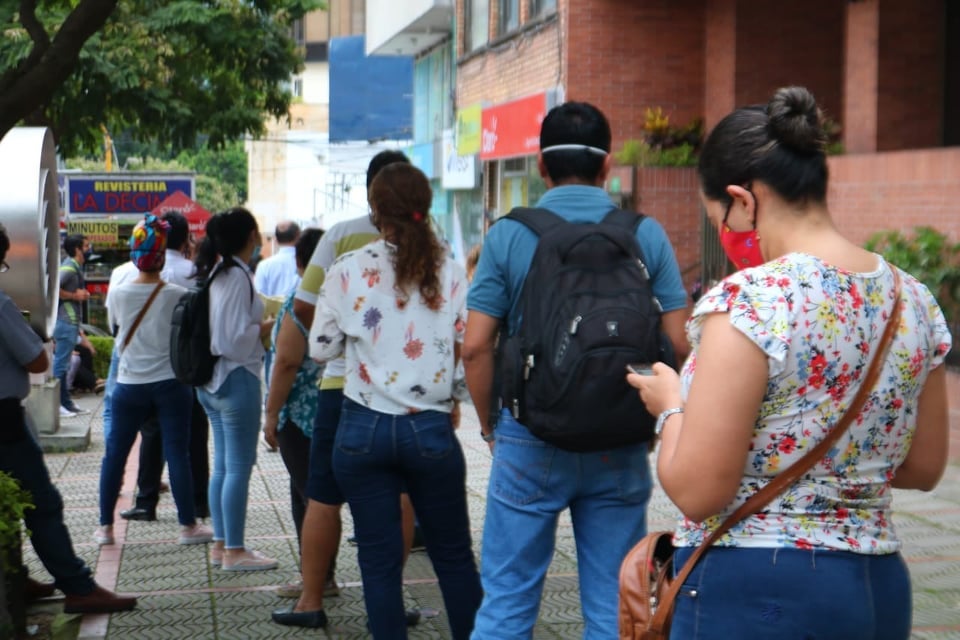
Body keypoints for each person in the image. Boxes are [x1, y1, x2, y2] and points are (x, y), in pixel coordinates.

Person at [627, 86, 951, 640]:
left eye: (719, 218)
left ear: (743, 200)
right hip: (875, 587)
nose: (726, 232)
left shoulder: (750, 302)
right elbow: (923, 468)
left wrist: (671, 408)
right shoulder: (913, 299)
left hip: (755, 590)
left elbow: (699, 491)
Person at [462, 101, 690, 638]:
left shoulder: (508, 236)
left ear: (541, 166)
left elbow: (474, 348)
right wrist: (660, 418)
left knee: (507, 606)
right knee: (617, 610)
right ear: (607, 166)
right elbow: (679, 341)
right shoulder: (645, 233)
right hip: (621, 438)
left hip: (530, 438)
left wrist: (493, 427)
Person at [312, 162, 482, 639]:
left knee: (379, 562)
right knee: (453, 556)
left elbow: (319, 348)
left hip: (361, 430)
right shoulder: (449, 270)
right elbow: (468, 352)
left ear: (374, 211)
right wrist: (458, 397)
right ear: (423, 209)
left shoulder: (347, 270)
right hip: (429, 432)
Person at [271, 150, 421, 630]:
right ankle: (391, 602)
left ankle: (310, 601)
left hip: (342, 383)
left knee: (323, 494)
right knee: (399, 495)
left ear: (370, 190)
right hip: (403, 388)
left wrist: (345, 340)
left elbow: (306, 305)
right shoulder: (430, 242)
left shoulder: (340, 235)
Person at [0, 222, 137, 614]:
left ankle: (14, 575)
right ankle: (77, 586)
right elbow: (37, 359)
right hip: (5, 421)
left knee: (9, 502)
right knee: (41, 503)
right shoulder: (1, 304)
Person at [96, 215, 213, 548]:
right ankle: (188, 526)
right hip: (171, 384)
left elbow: (116, 330)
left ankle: (105, 528)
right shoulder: (179, 294)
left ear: (134, 254)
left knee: (115, 455)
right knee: (178, 453)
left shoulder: (117, 293)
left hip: (129, 384)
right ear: (161, 255)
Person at [194, 207, 277, 571]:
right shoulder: (238, 276)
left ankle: (222, 544)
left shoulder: (218, 272)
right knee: (238, 466)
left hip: (212, 381)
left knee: (225, 465)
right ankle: (235, 551)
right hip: (235, 378)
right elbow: (231, 340)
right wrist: (262, 328)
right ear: (250, 238)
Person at [262, 227, 324, 597]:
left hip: (300, 417)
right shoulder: (346, 299)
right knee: (314, 495)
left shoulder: (299, 305)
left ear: (301, 263)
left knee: (310, 499)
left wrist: (271, 414)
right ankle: (321, 576)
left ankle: (315, 583)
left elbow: (285, 363)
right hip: (337, 412)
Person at [53, 233, 92, 418]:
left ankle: (67, 404)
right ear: (77, 249)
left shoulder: (73, 267)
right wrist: (75, 296)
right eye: (86, 246)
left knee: (65, 366)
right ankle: (57, 405)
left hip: (70, 323)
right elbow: (53, 289)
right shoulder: (68, 268)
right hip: (65, 322)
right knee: (60, 367)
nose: (89, 249)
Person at [255, 221, 302, 297]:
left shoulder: (264, 266)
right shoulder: (306, 264)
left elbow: (260, 297)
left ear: (276, 240)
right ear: (299, 236)